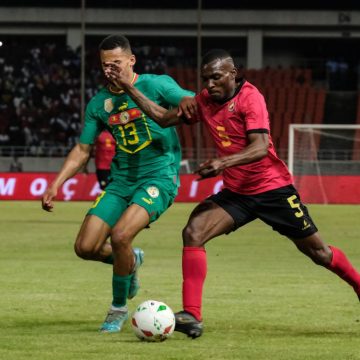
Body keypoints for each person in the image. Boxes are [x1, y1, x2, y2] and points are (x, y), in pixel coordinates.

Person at [106, 48, 360, 338]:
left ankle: (358, 284)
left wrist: (222, 162)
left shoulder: (250, 98)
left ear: (233, 73)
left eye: (215, 77)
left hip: (273, 190)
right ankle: (192, 315)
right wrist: (128, 86)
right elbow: (164, 118)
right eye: (205, 79)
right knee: (194, 232)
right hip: (237, 194)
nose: (209, 84)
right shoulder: (204, 100)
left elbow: (261, 146)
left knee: (319, 253)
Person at [41, 34, 193, 333]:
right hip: (121, 180)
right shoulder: (100, 103)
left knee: (121, 235)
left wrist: (187, 101)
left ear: (131, 60)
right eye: (105, 65)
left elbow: (188, 99)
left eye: (116, 63)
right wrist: (56, 183)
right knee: (85, 247)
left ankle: (118, 308)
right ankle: (130, 263)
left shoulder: (155, 84)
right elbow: (83, 150)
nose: (110, 69)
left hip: (158, 177)